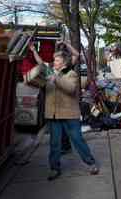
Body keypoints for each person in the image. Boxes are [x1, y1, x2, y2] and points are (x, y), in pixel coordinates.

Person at [30, 43, 99, 181]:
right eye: (54, 60)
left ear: (63, 63)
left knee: (78, 140)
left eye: (56, 60)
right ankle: (54, 168)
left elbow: (70, 89)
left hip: (69, 115)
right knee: (55, 144)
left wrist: (55, 78)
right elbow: (41, 63)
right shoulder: (49, 72)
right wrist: (33, 50)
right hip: (53, 115)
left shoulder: (71, 73)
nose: (53, 62)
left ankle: (91, 163)